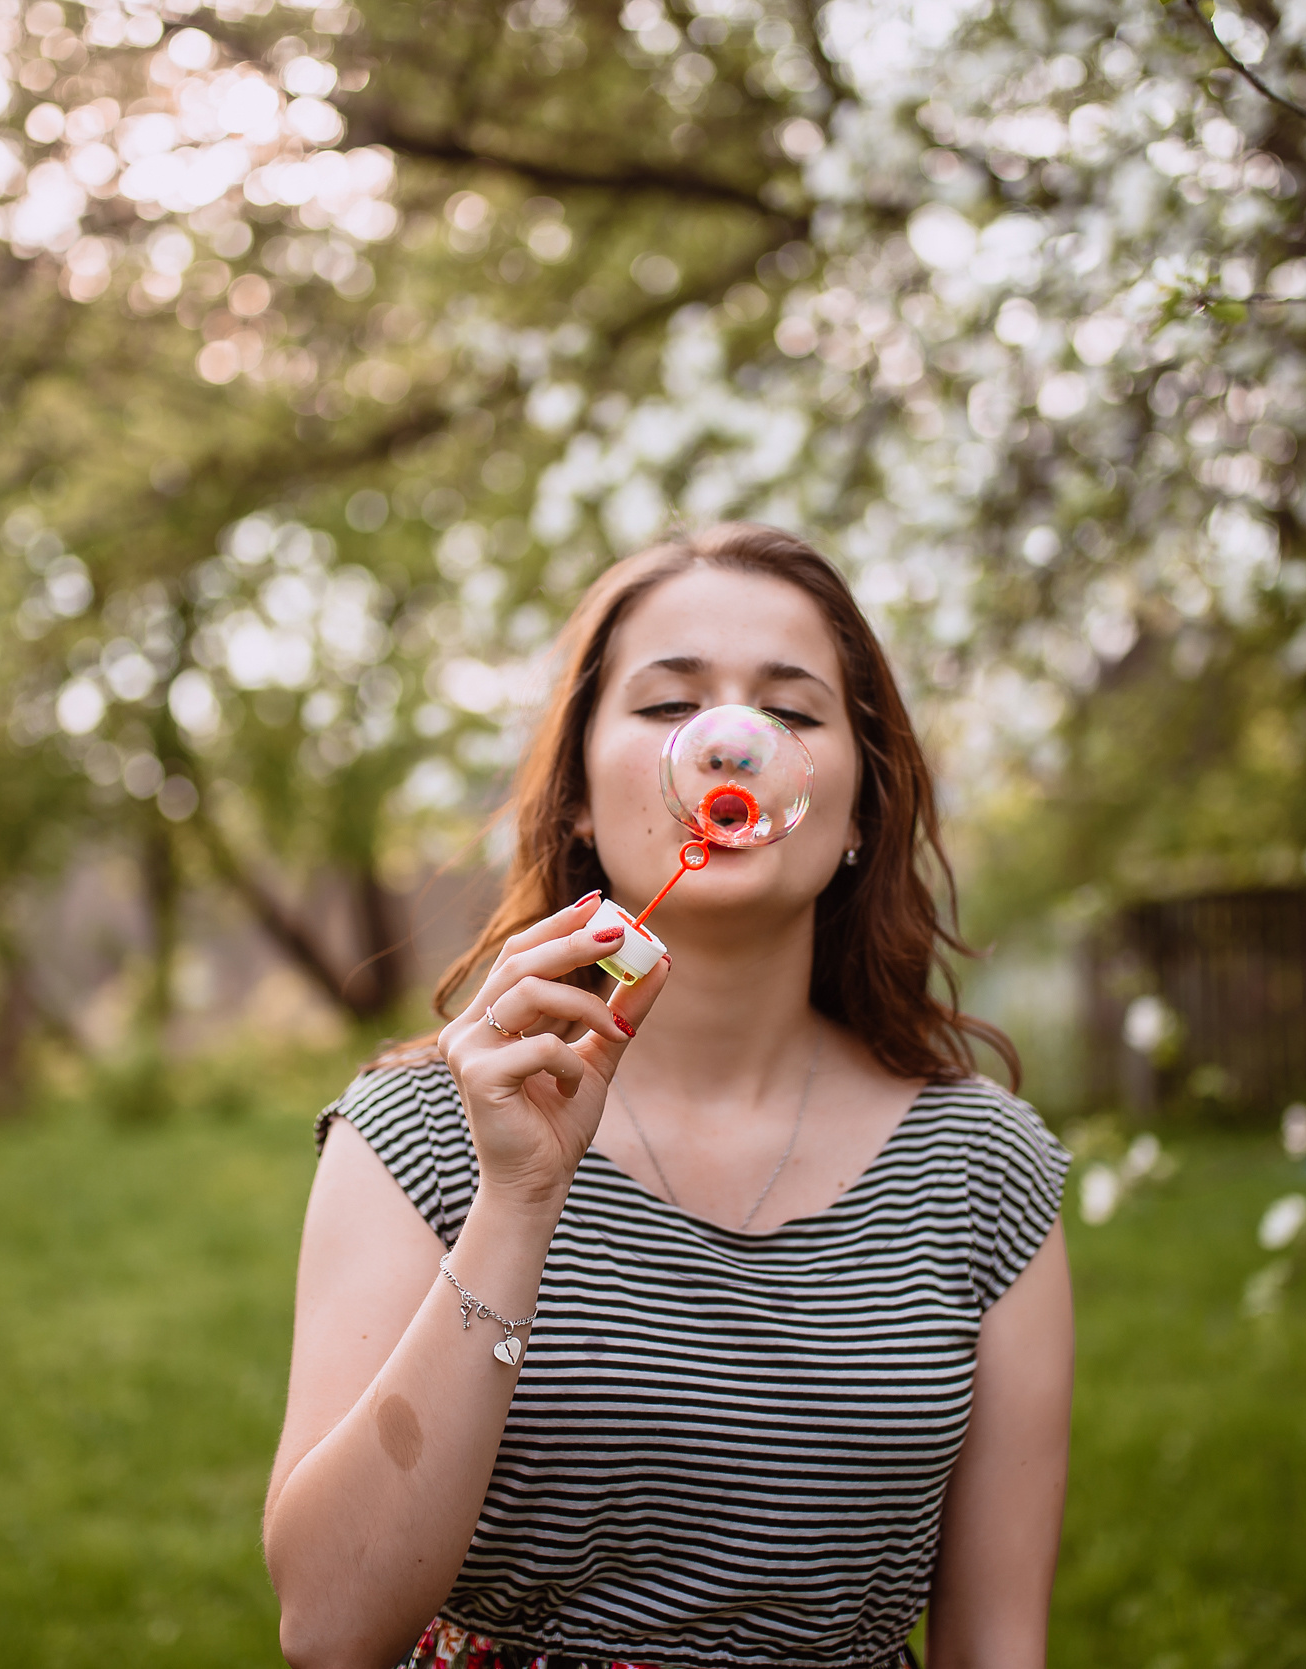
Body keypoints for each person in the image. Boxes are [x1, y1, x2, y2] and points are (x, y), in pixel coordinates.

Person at [263, 523, 1074, 1669]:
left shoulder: (981, 1167)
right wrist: (517, 1200)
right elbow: (328, 1629)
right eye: (666, 706)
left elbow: (997, 1647)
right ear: (582, 796)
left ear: (857, 811)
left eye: (789, 712)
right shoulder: (421, 1128)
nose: (727, 746)